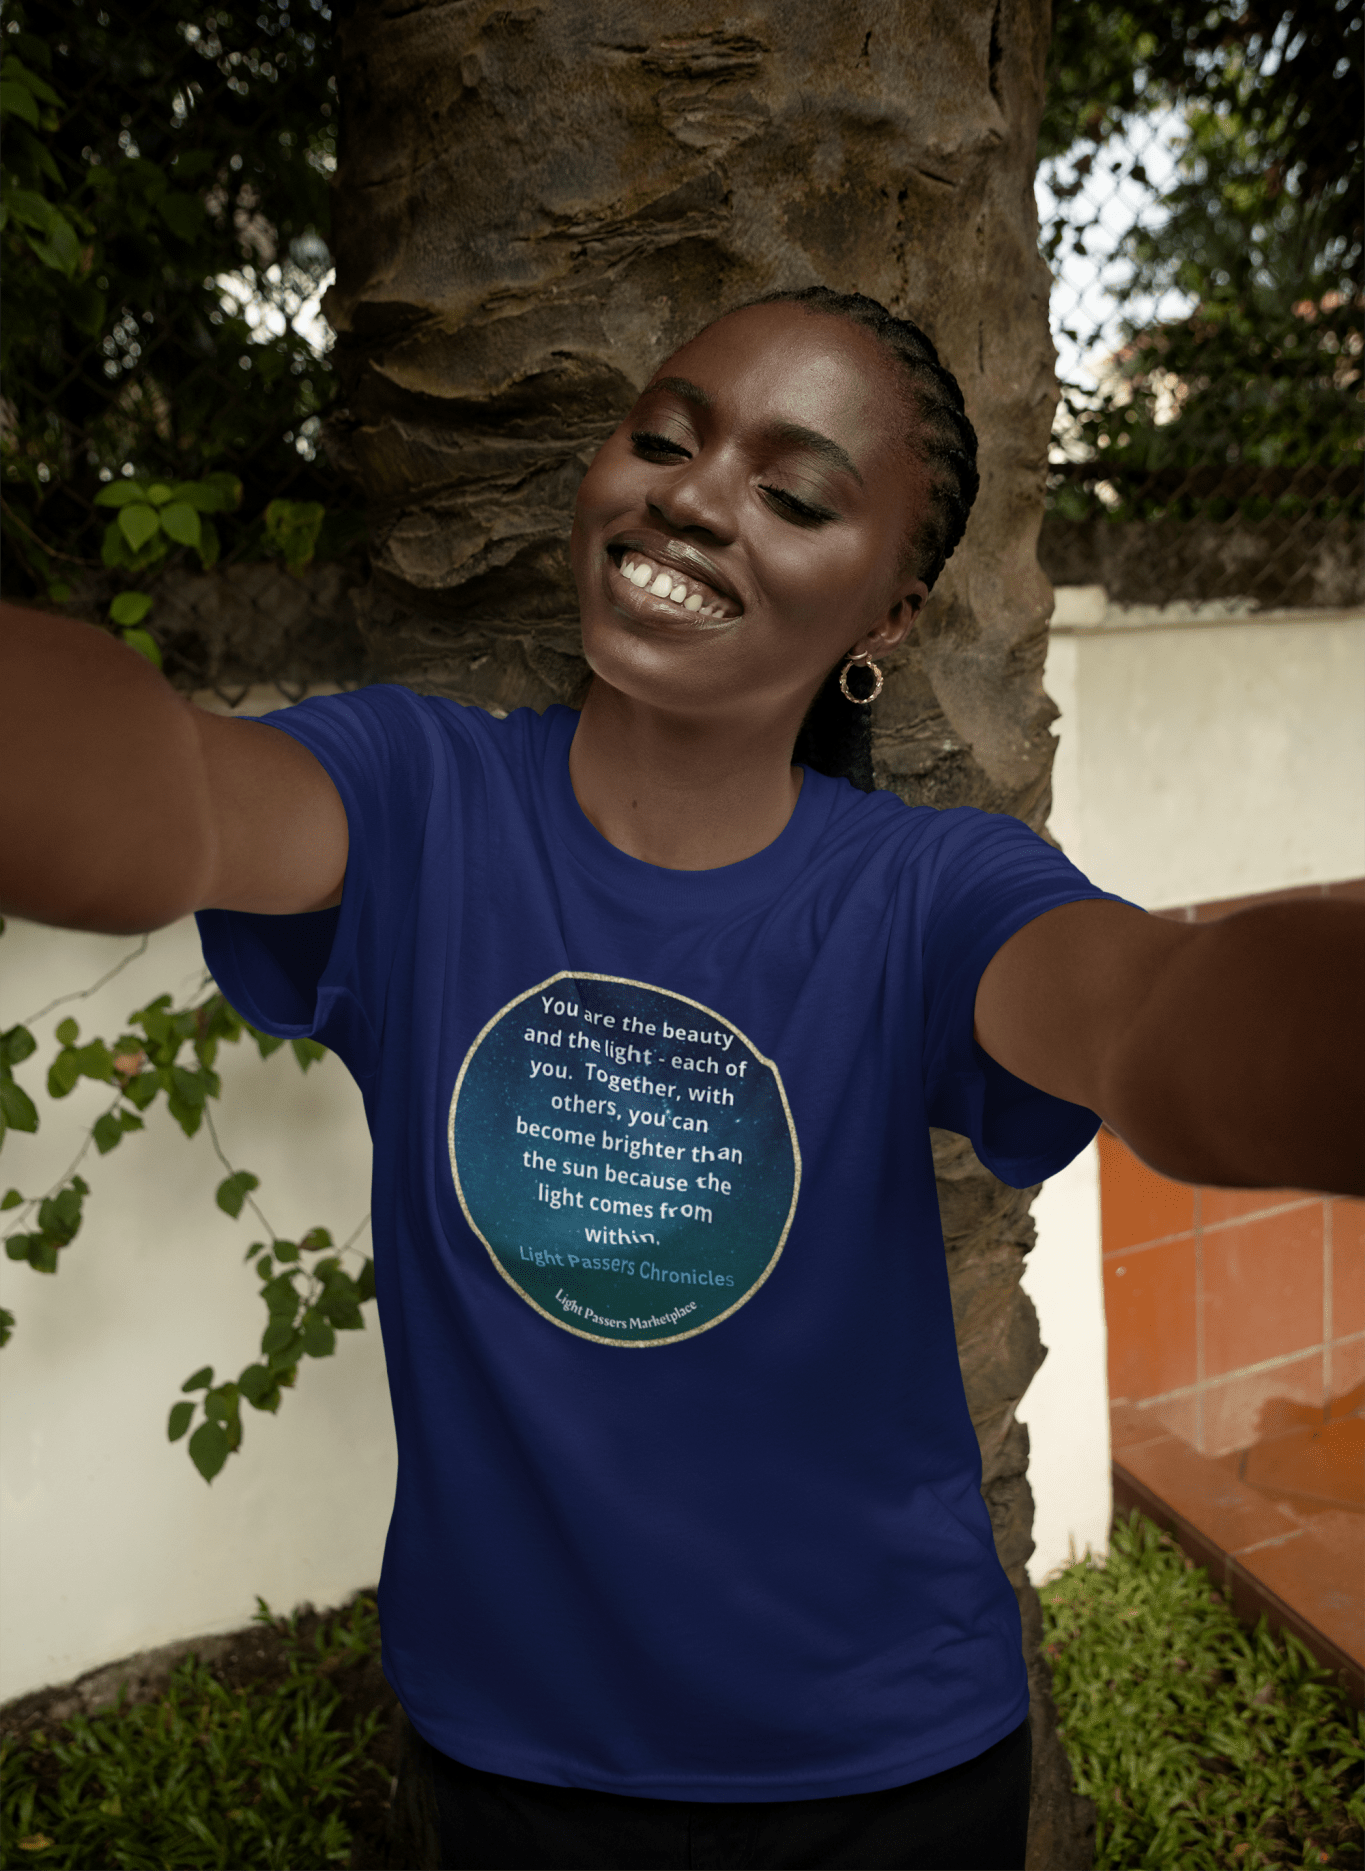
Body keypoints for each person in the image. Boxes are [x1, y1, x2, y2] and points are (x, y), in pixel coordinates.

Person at [3, 289, 1360, 1871]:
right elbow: (164, 805)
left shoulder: (929, 893)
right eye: (664, 438)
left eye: (795, 494)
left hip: (886, 1771)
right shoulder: (417, 801)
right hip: (514, 1758)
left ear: (890, 617)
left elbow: (1156, 1025)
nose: (698, 495)